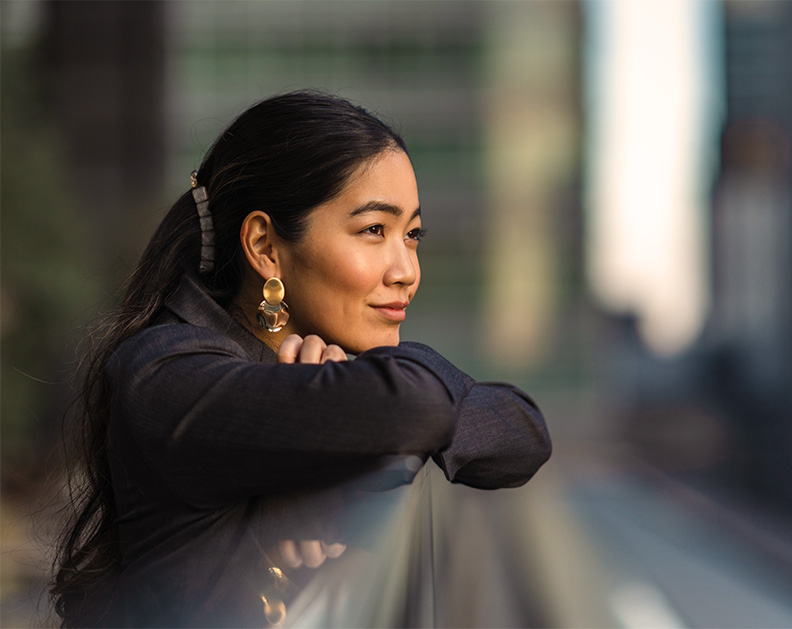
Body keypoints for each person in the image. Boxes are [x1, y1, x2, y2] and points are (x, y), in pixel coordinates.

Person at [51, 90, 551, 628]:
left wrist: (347, 399)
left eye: (412, 235)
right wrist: (357, 404)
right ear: (266, 246)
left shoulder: (342, 370)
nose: (406, 269)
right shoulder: (165, 373)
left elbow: (522, 436)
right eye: (373, 231)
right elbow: (416, 409)